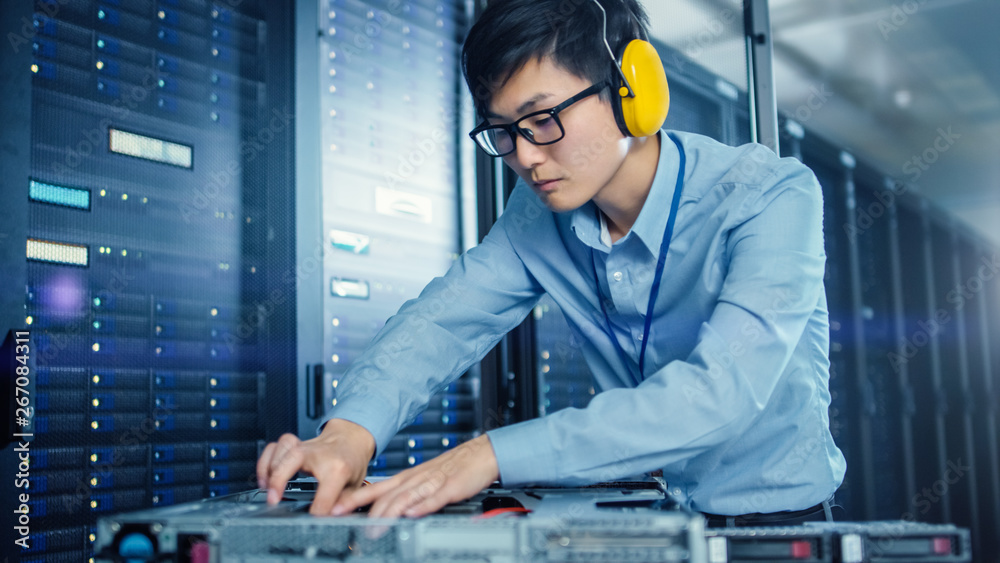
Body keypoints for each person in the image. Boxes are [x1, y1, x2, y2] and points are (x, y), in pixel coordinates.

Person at [257, 0, 847, 525]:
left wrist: (489, 456)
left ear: (630, 91)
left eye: (543, 120)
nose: (526, 157)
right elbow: (442, 322)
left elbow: (722, 394)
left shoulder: (769, 196)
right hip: (648, 522)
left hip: (779, 525)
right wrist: (350, 433)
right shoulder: (536, 217)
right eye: (504, 132)